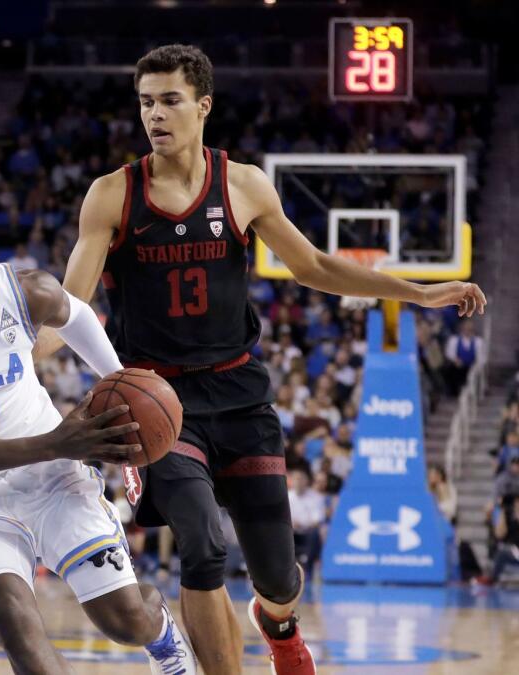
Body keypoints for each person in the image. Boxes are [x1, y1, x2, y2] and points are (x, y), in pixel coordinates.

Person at [36, 44, 487, 675]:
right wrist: (21, 356)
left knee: (278, 576)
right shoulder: (112, 196)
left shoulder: (242, 183)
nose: (156, 115)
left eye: (170, 100)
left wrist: (417, 292)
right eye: (146, 103)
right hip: (160, 402)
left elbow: (315, 267)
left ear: (203, 105)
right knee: (202, 544)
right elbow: (72, 305)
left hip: (242, 395)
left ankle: (277, 625)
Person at [0, 177, 196, 674]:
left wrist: (121, 389)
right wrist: (54, 442)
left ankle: (164, 638)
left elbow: (81, 317)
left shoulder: (26, 290)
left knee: (126, 621)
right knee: (16, 622)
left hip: (52, 477)